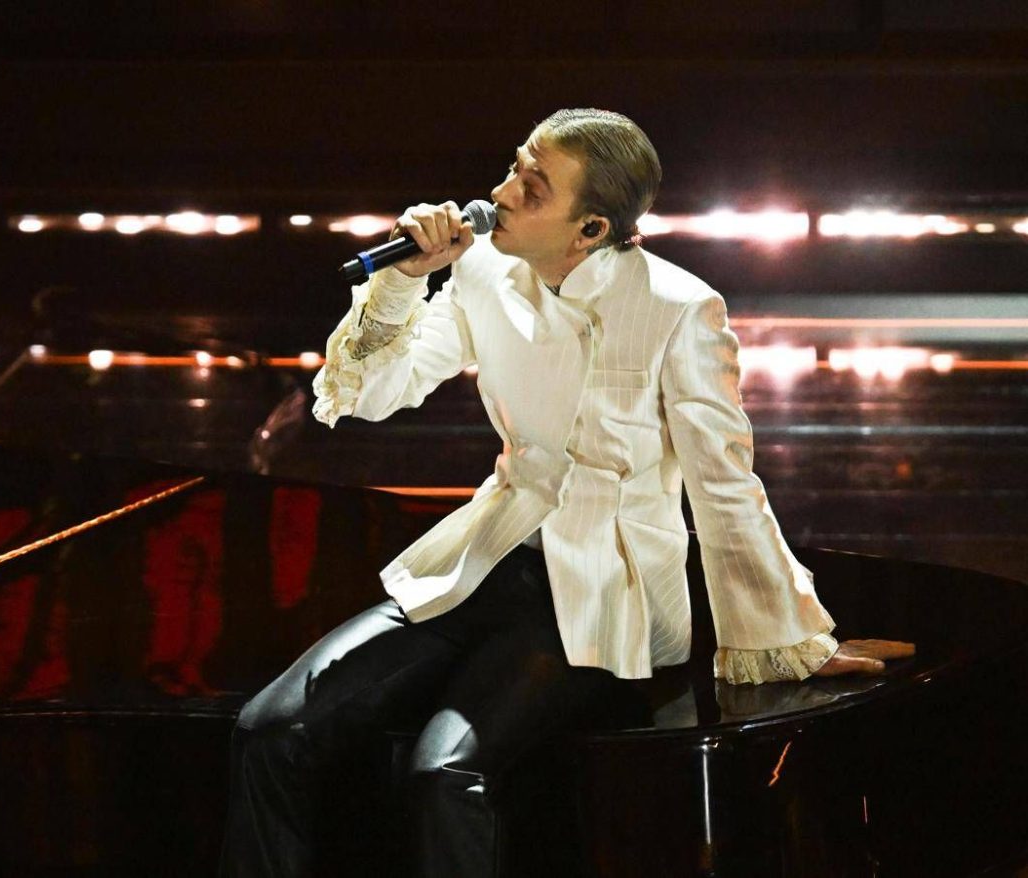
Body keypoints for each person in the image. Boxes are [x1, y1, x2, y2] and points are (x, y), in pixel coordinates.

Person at [220, 108, 914, 877]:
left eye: (534, 186)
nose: (501, 193)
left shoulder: (679, 308)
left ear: (590, 229)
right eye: (514, 167)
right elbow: (372, 394)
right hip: (489, 559)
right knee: (269, 726)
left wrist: (789, 640)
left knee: (442, 774)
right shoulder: (484, 272)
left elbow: (725, 486)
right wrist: (400, 282)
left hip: (600, 588)